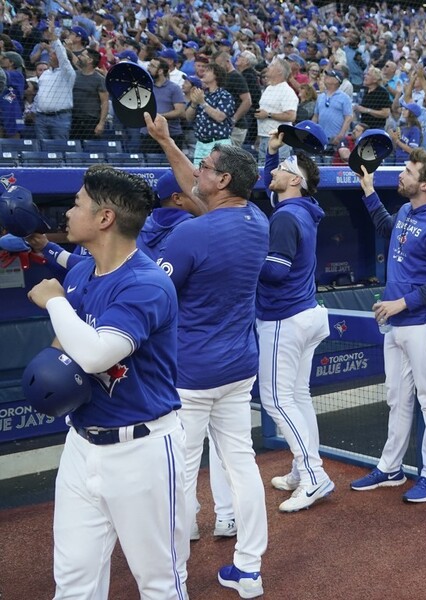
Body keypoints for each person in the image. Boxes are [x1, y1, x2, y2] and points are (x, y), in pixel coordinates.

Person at [26, 165, 187, 598]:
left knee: (159, 583)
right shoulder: (82, 272)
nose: (68, 212)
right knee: (74, 580)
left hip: (142, 450)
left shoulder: (147, 283)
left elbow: (98, 352)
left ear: (104, 218)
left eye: (77, 203)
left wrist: (53, 302)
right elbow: (66, 346)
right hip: (81, 444)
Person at [144, 113, 269, 598]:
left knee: (177, 477)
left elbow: (152, 294)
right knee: (242, 466)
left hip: (192, 375)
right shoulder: (256, 219)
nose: (198, 169)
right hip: (238, 369)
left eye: (207, 166)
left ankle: (172, 577)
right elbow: (194, 190)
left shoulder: (190, 234)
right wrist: (165, 141)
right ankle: (250, 569)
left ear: (224, 180)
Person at [350, 148, 426, 502]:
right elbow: (387, 226)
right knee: (397, 399)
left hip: (424, 322)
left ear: (425, 183)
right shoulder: (405, 211)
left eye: (408, 171)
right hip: (396, 323)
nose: (401, 174)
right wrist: (368, 190)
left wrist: (402, 302)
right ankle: (391, 468)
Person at [259, 132, 333, 512]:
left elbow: (274, 271)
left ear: (296, 181)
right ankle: (301, 469)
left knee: (275, 399)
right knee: (297, 397)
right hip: (306, 313)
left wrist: (241, 261)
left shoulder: (287, 216)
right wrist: (272, 154)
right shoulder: (301, 207)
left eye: (284, 168)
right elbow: (271, 185)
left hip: (282, 316)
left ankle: (313, 473)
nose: (277, 172)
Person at [184, 62, 235, 166]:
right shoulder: (201, 94)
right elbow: (188, 117)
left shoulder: (225, 95)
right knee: (198, 175)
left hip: (219, 143)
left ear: (216, 75)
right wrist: (194, 103)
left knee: (218, 173)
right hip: (200, 143)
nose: (204, 72)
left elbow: (220, 117)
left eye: (208, 71)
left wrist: (202, 103)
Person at [255, 58, 297, 162]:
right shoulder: (268, 88)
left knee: (279, 171)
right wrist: (258, 137)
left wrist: (268, 115)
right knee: (263, 171)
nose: (268, 67)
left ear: (279, 71)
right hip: (264, 138)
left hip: (280, 140)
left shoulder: (287, 91)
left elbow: (291, 116)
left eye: (272, 65)